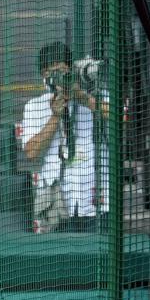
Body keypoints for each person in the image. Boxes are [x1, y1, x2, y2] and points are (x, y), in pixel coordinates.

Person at [21, 41, 109, 233]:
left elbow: (123, 117)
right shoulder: (35, 106)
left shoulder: (95, 97)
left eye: (62, 71)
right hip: (59, 203)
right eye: (51, 72)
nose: (59, 78)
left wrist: (83, 98)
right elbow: (31, 153)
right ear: (44, 75)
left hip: (98, 201)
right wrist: (55, 116)